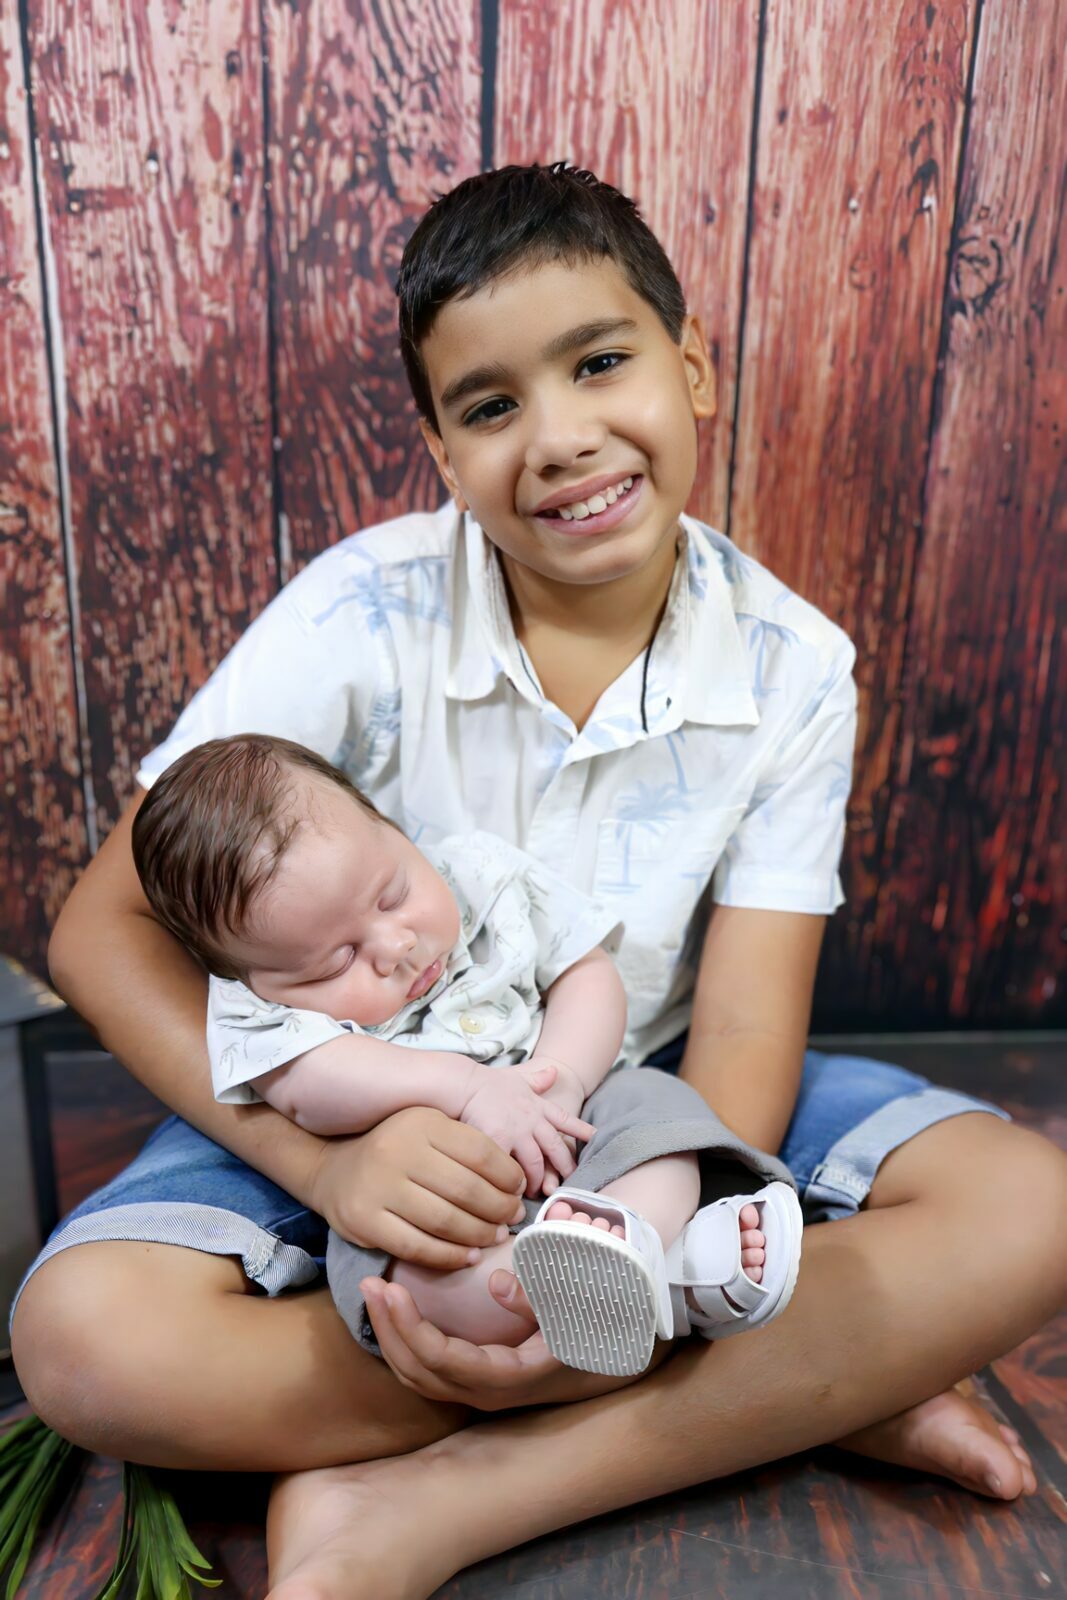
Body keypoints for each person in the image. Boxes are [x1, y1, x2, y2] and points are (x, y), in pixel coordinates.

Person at [13, 163, 1064, 1600]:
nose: (560, 438)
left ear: (691, 369)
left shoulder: (790, 666)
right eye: (491, 405)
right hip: (366, 1101)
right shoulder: (361, 611)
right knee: (84, 1343)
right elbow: (99, 930)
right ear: (442, 454)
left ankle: (433, 1495)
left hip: (642, 1089)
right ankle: (801, 1385)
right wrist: (330, 1170)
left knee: (1031, 1210)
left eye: (600, 362)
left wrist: (647, 1213)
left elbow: (740, 1036)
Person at [130, 730, 803, 1372]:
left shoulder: (482, 872)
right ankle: (626, 1284)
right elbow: (312, 1086)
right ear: (252, 977)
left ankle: (636, 1241)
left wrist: (563, 1077)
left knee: (657, 1114)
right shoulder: (253, 1011)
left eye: (392, 895)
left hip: (573, 1114)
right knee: (409, 1276)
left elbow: (585, 971)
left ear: (391, 827)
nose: (395, 947)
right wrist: (466, 1089)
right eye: (336, 962)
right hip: (437, 1187)